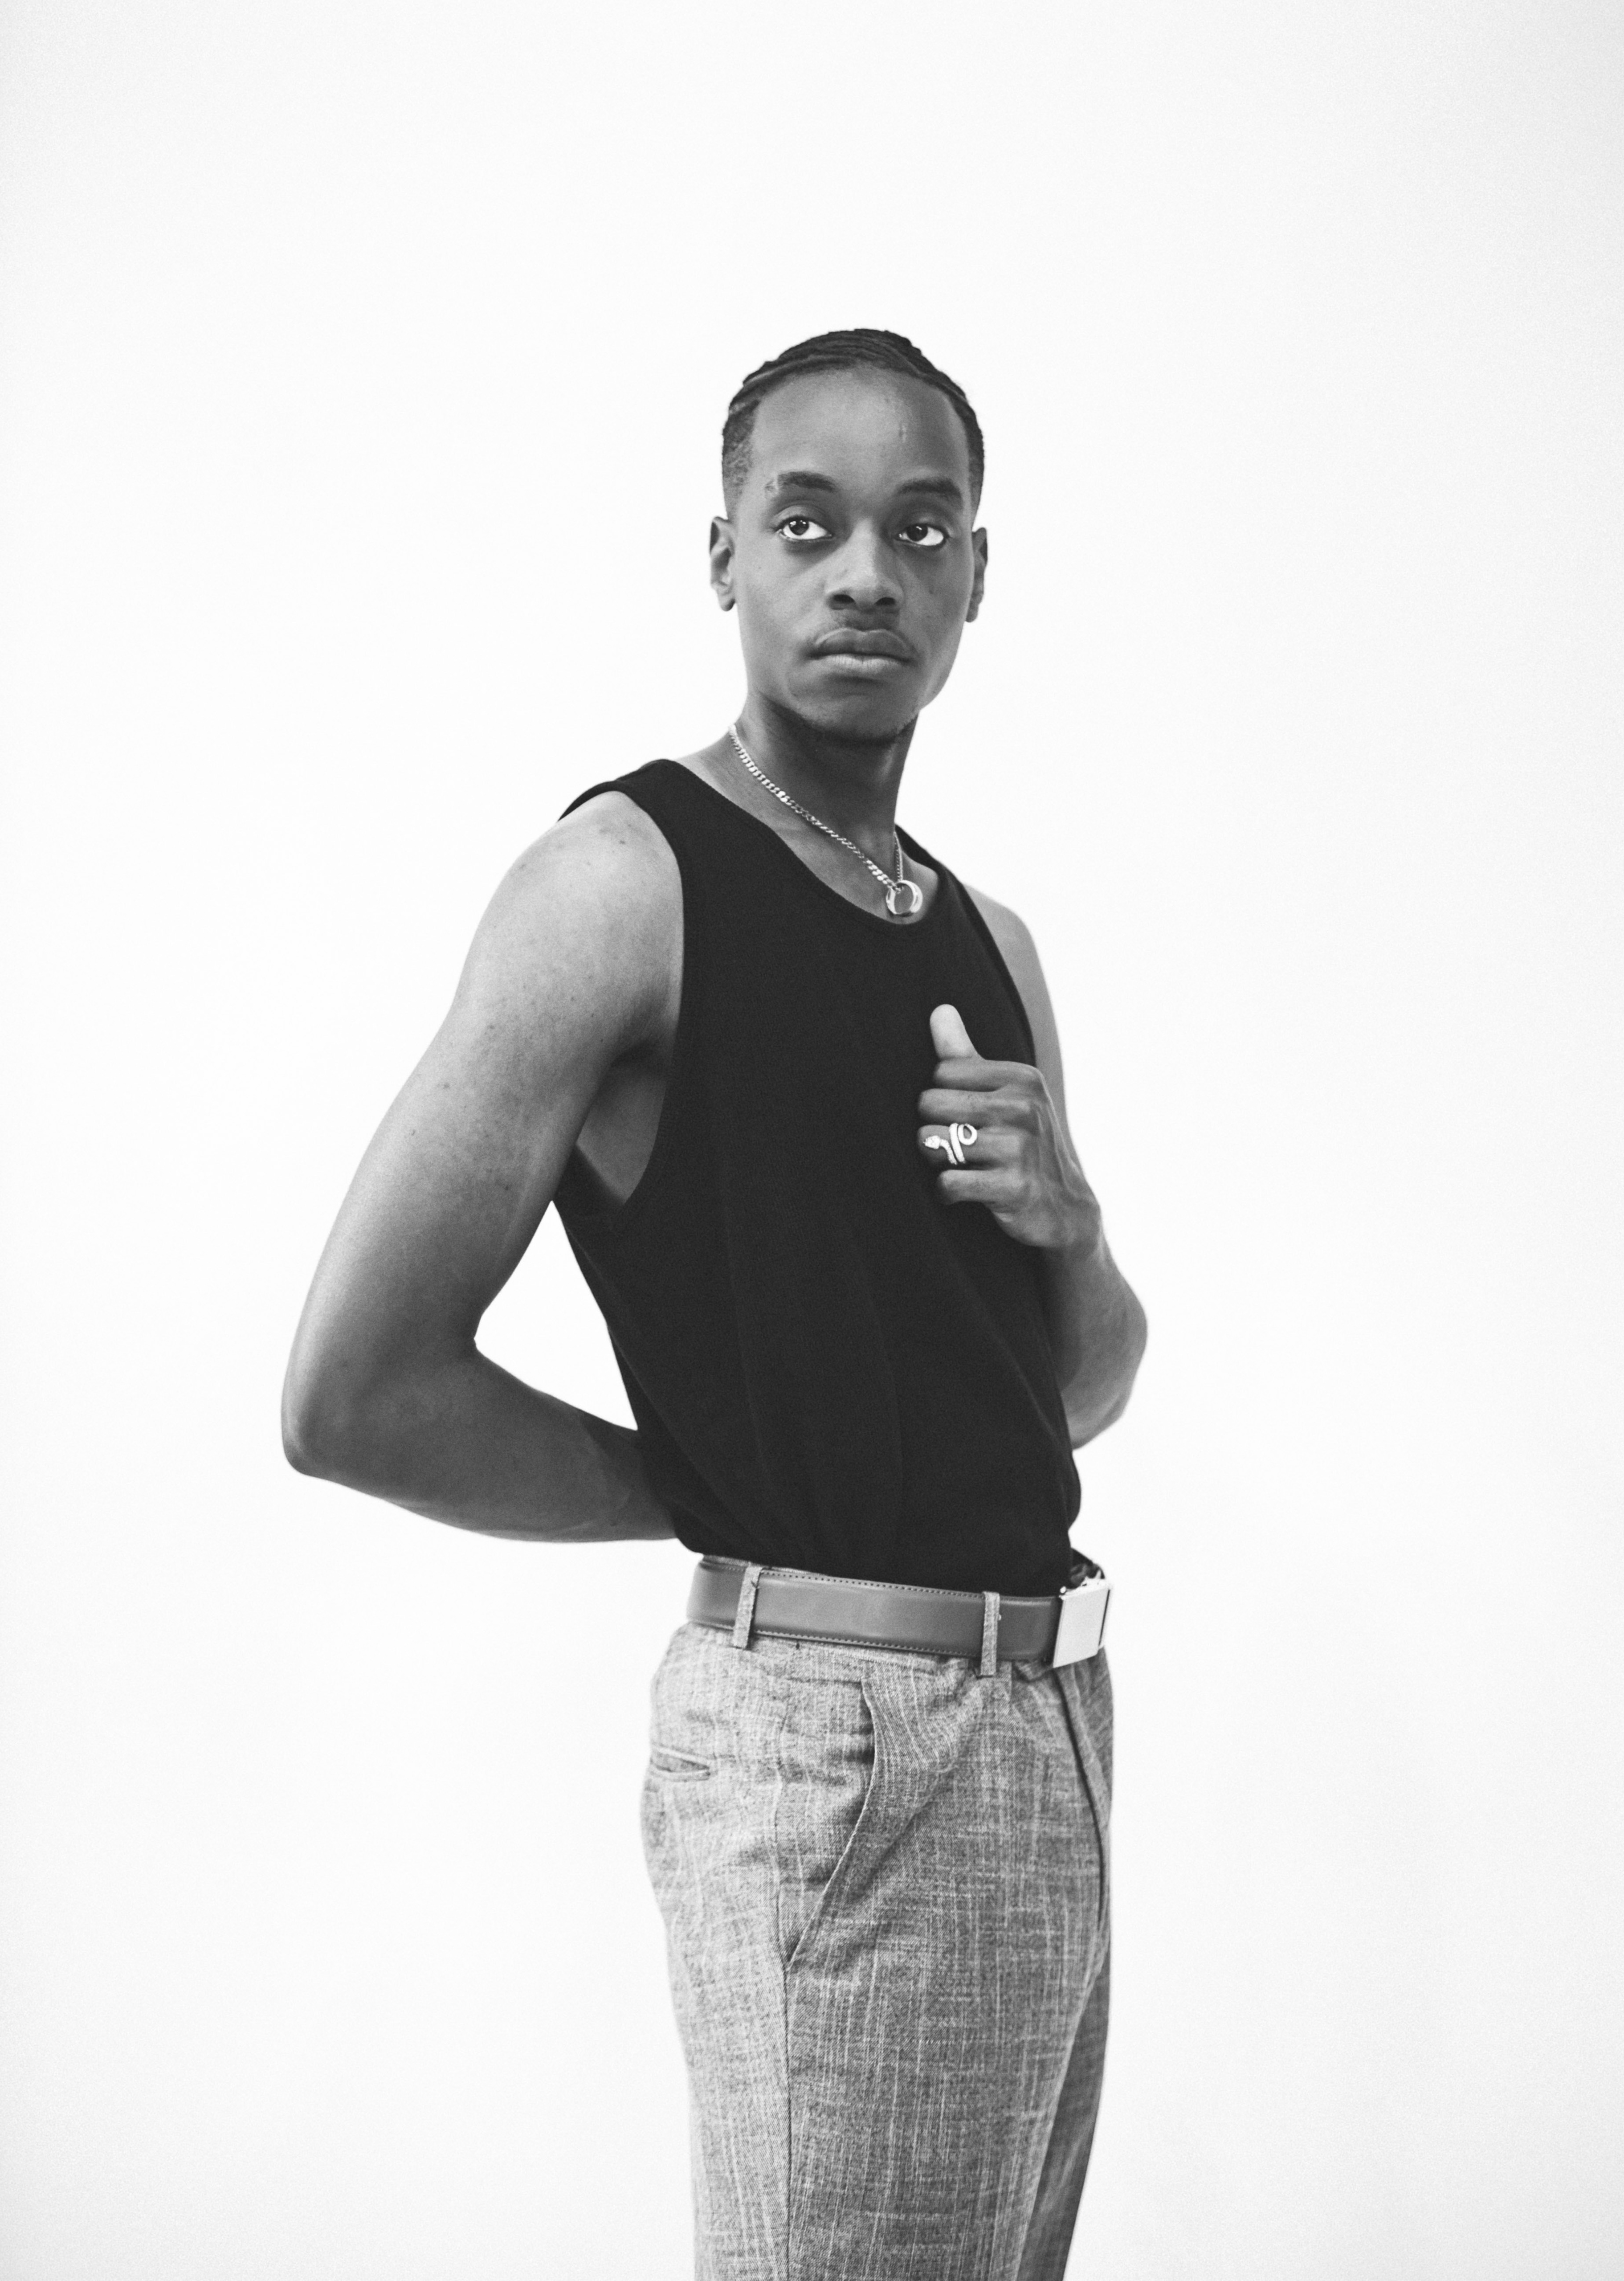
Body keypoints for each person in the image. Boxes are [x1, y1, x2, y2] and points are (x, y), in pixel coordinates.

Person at [282, 327, 1147, 2281]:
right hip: (839, 1740)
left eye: (921, 528)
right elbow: (352, 1392)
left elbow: (1070, 1393)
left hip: (1052, 1728)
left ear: (977, 573)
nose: (868, 574)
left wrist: (1067, 1218)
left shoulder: (989, 940)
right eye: (809, 522)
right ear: (724, 555)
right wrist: (710, 1489)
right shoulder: (621, 885)